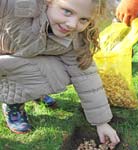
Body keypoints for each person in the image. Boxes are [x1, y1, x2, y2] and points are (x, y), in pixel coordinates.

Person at [0, 0, 120, 148]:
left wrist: (102, 123)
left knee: (68, 71)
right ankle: (13, 103)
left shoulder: (75, 36)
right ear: (48, 2)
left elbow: (86, 77)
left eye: (83, 19)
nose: (72, 24)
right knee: (23, 66)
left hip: (26, 60)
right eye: (67, 11)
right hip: (5, 64)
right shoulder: (14, 5)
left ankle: (34, 92)